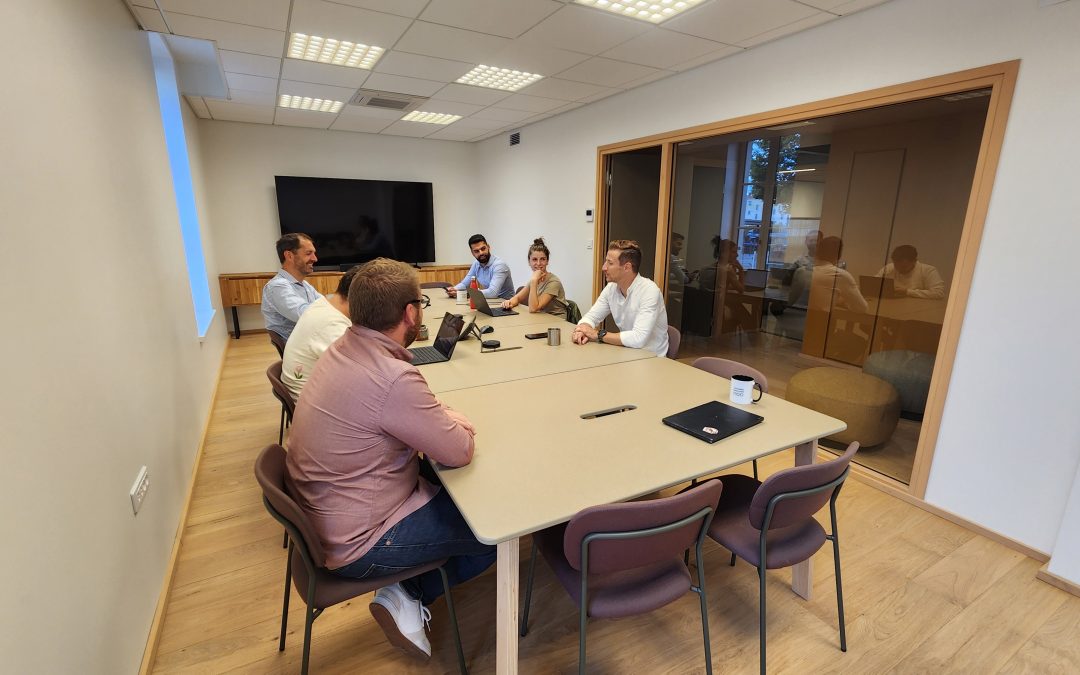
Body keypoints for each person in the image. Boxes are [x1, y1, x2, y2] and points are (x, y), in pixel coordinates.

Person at [285, 258, 495, 662]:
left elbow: (420, 411)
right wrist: (455, 422)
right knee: (492, 532)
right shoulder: (392, 376)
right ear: (411, 312)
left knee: (453, 489)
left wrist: (437, 415)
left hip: (329, 511)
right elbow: (459, 449)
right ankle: (408, 592)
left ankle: (408, 589)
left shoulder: (342, 349)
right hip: (363, 539)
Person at [572, 240, 669, 356]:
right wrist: (581, 330)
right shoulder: (611, 288)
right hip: (627, 351)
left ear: (627, 267)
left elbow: (638, 338)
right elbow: (591, 317)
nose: (604, 267)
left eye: (610, 263)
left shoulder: (649, 291)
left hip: (652, 357)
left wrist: (597, 334)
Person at [280, 265, 360, 401]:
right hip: (311, 404)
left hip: (306, 390)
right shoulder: (333, 326)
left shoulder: (323, 303)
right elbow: (357, 373)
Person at [262, 233, 322, 340]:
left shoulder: (305, 285)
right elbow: (307, 315)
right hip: (302, 349)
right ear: (289, 256)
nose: (315, 259)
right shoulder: (277, 287)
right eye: (308, 253)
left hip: (312, 339)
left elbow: (324, 304)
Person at [500, 237, 567, 315]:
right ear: (529, 262)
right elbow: (517, 298)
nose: (538, 263)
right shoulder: (534, 280)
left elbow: (533, 309)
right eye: (534, 259)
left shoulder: (554, 282)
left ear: (547, 261)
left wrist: (534, 280)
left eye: (542, 259)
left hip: (557, 322)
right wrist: (509, 302)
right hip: (540, 319)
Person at [808, 236, 868, 313]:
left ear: (817, 252)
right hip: (821, 323)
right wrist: (844, 303)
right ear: (839, 255)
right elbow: (862, 308)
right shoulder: (840, 275)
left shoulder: (803, 271)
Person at [448, 234, 515, 300]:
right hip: (491, 301)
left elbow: (492, 292)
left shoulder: (500, 265)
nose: (481, 253)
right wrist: (454, 289)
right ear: (472, 253)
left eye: (483, 249)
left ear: (488, 247)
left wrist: (465, 294)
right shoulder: (476, 264)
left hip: (507, 304)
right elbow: (465, 284)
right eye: (476, 251)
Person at [875, 244, 946, 299]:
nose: (899, 269)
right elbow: (873, 283)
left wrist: (907, 292)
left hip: (919, 308)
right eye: (896, 266)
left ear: (914, 261)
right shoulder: (889, 268)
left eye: (903, 267)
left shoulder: (928, 270)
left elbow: (939, 293)